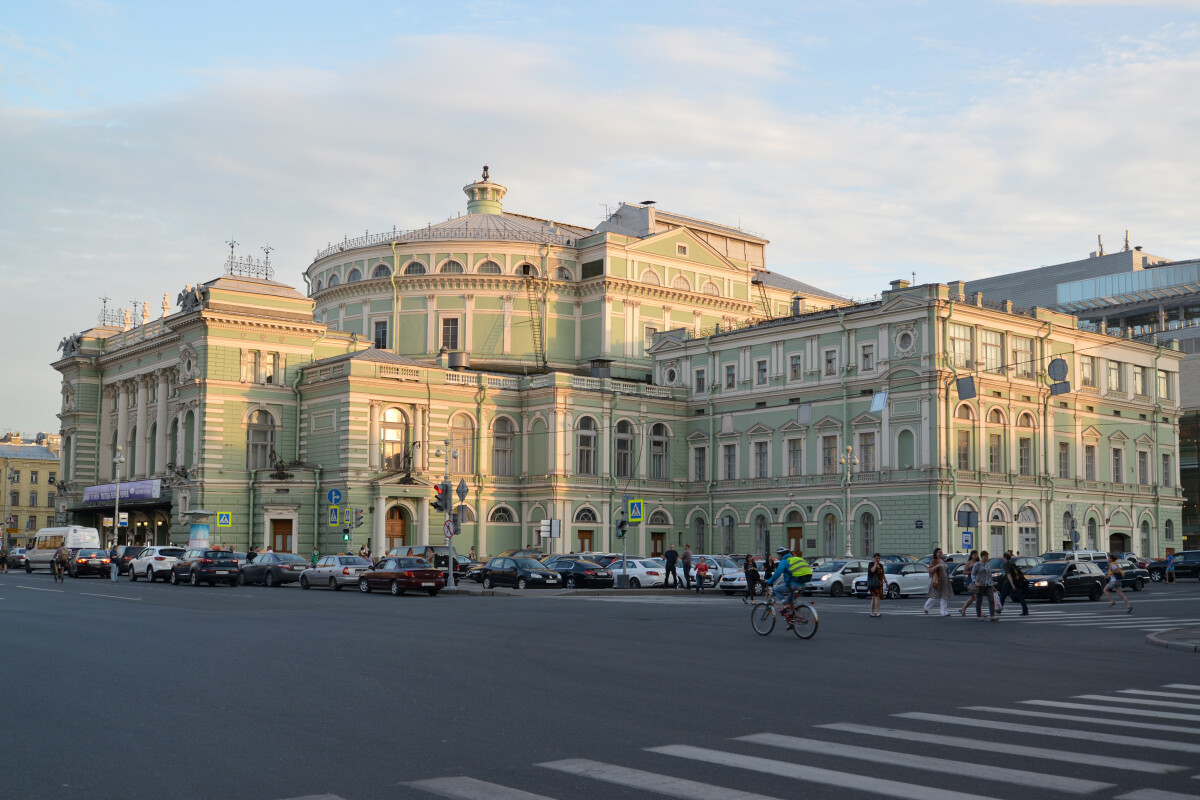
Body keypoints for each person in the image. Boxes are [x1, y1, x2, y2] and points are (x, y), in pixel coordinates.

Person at [766, 547, 812, 622]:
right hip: (802, 585)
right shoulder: (794, 559)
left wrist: (769, 581)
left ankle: (785, 603)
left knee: (775, 589)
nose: (778, 557)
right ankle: (792, 620)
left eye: (778, 555)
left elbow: (777, 573)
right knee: (790, 603)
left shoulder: (784, 561)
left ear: (781, 555)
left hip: (793, 585)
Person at [923, 548, 952, 616]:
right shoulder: (934, 561)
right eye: (939, 552)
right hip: (937, 580)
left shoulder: (943, 560)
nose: (941, 553)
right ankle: (926, 607)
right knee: (935, 596)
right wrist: (937, 566)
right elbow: (930, 570)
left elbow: (946, 568)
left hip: (945, 580)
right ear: (935, 553)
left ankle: (944, 612)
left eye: (941, 552)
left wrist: (948, 570)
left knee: (944, 596)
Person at [972, 549, 998, 621]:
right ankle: (979, 615)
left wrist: (992, 586)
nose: (986, 558)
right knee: (979, 600)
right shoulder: (977, 564)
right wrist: (975, 581)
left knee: (991, 600)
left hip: (988, 584)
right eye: (985, 557)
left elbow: (989, 575)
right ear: (982, 557)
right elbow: (973, 574)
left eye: (987, 556)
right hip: (980, 585)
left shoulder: (987, 564)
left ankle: (992, 616)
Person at [959, 550, 980, 616]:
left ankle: (963, 609)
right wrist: (971, 572)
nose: (976, 556)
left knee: (974, 597)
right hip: (970, 581)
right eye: (975, 555)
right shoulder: (969, 563)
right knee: (975, 597)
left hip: (977, 581)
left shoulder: (978, 563)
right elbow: (964, 572)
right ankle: (980, 612)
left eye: (977, 555)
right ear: (971, 556)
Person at [866, 553, 885, 617]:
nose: (878, 559)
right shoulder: (871, 564)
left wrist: (886, 581)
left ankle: (873, 612)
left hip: (880, 583)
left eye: (879, 558)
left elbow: (883, 574)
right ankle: (877, 612)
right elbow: (872, 571)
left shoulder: (881, 565)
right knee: (875, 597)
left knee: (877, 598)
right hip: (873, 583)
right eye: (876, 558)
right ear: (874, 558)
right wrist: (875, 564)